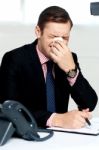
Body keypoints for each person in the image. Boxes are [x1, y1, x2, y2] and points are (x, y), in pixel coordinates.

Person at [0, 6, 98, 129]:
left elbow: (89, 103)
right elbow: (8, 109)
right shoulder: (15, 59)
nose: (58, 43)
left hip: (61, 136)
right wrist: (58, 119)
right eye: (53, 36)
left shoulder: (69, 58)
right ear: (38, 31)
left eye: (65, 38)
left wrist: (71, 70)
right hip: (27, 134)